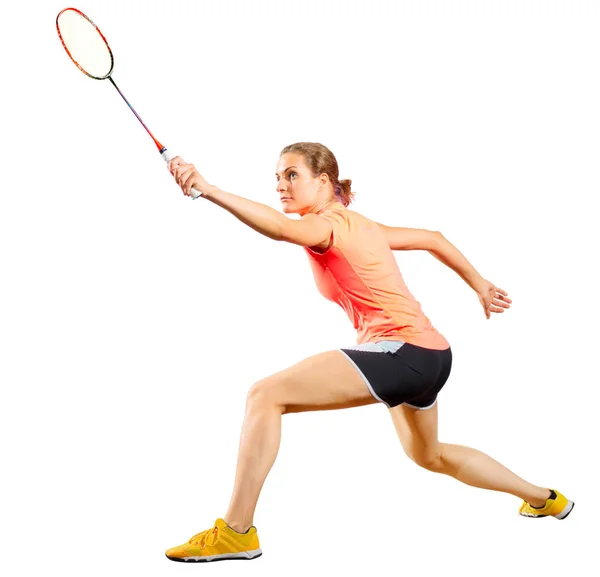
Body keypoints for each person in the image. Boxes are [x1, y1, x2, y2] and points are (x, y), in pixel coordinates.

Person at [163, 142, 573, 563]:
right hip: (433, 355)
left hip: (402, 353)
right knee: (428, 455)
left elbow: (283, 230)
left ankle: (236, 531)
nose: (281, 186)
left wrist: (210, 190)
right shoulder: (362, 224)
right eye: (277, 178)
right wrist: (480, 284)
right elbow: (434, 238)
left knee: (264, 395)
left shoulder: (327, 225)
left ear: (323, 182)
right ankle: (546, 499)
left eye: (292, 175)